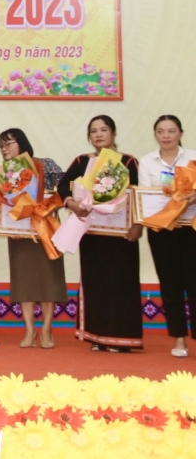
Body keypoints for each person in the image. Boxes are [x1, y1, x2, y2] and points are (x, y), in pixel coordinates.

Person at [57, 115, 142, 352]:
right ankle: (96, 336)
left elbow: (138, 194)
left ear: (113, 133)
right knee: (95, 283)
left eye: (103, 130)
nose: (98, 134)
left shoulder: (128, 162)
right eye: (93, 131)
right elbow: (63, 185)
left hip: (122, 236)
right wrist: (72, 203)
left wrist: (138, 225)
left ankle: (123, 339)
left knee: (122, 284)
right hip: (92, 234)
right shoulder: (82, 161)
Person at [0, 128, 66, 349]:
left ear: (22, 143)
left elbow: (64, 190)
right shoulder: (3, 174)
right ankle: (29, 329)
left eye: (8, 143)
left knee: (49, 280)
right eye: (1, 146)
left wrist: (46, 206)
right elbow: (1, 204)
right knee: (23, 281)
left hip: (46, 230)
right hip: (20, 234)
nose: (4, 149)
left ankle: (47, 329)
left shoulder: (45, 164)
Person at [138, 115, 196, 358]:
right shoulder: (147, 162)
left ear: (180, 133)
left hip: (191, 229)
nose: (166, 136)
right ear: (155, 135)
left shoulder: (193, 157)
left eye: (171, 131)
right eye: (161, 131)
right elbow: (144, 195)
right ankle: (179, 338)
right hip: (161, 231)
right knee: (170, 284)